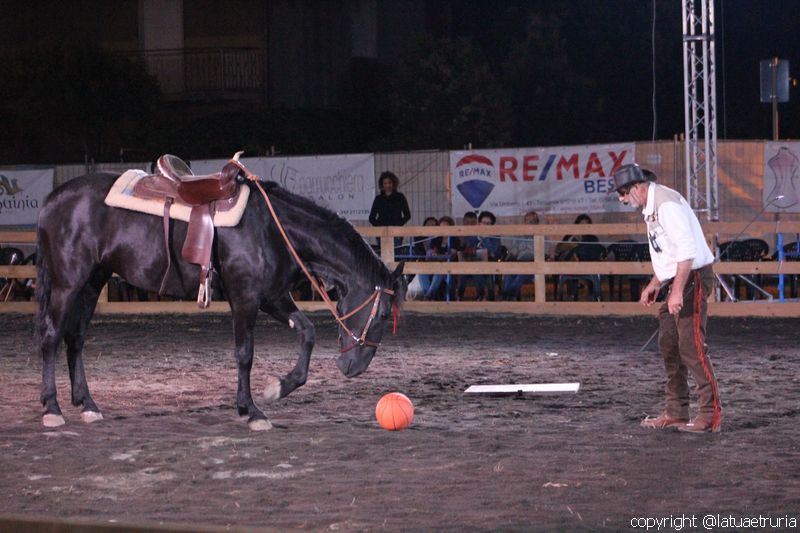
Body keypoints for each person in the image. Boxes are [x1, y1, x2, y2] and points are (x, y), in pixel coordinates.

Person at [612, 163, 721, 433]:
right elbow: (667, 252)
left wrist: (675, 290)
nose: (623, 200)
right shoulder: (652, 207)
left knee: (691, 346)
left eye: (624, 194)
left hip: (691, 278)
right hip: (679, 278)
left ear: (636, 188)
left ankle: (710, 416)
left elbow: (686, 250)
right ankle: (676, 411)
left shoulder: (667, 204)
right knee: (670, 345)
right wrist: (655, 283)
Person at [458, 210, 501, 301]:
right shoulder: (473, 234)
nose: (485, 225)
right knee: (464, 272)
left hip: (488, 263)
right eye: (484, 223)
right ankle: (459, 296)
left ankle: (481, 295)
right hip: (471, 262)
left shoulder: (495, 236)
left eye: (488, 224)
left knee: (476, 270)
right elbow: (468, 246)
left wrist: (485, 238)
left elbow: (492, 250)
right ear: (479, 223)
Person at [369, 171, 411, 255]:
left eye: (389, 183)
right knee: (384, 256)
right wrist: (380, 227)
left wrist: (398, 224)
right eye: (385, 183)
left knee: (396, 255)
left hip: (396, 232)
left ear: (393, 184)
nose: (387, 185)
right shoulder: (378, 199)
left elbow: (407, 215)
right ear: (382, 185)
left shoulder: (400, 197)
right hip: (382, 233)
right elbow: (371, 218)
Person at [501, 211, 540, 301]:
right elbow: (514, 252)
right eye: (527, 222)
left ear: (537, 224)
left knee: (521, 273)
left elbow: (544, 253)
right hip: (518, 262)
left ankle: (508, 294)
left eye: (532, 222)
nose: (529, 224)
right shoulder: (518, 236)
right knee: (509, 272)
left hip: (533, 264)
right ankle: (509, 297)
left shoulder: (542, 237)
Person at [424, 216, 458, 300]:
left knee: (440, 271)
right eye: (441, 227)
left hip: (451, 268)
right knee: (421, 273)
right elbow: (430, 253)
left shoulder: (455, 240)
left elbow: (451, 255)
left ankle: (429, 296)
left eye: (446, 227)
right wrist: (431, 253)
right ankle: (428, 294)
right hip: (434, 266)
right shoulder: (435, 239)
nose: (443, 229)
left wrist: (437, 256)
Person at [410, 216, 440, 297]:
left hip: (436, 263)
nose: (431, 226)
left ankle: (428, 296)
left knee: (439, 273)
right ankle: (429, 296)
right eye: (429, 224)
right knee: (422, 273)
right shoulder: (419, 237)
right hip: (424, 262)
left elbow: (440, 251)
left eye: (434, 225)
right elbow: (418, 251)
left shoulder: (438, 238)